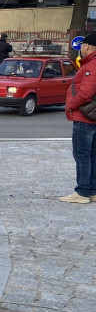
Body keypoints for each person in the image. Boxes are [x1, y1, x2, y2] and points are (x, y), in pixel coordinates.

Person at [61, 32, 96, 204]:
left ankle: (82, 192)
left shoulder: (91, 66)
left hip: (84, 117)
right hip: (92, 117)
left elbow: (85, 94)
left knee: (82, 155)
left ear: (87, 46)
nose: (81, 48)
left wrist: (70, 105)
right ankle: (92, 191)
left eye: (82, 45)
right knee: (92, 155)